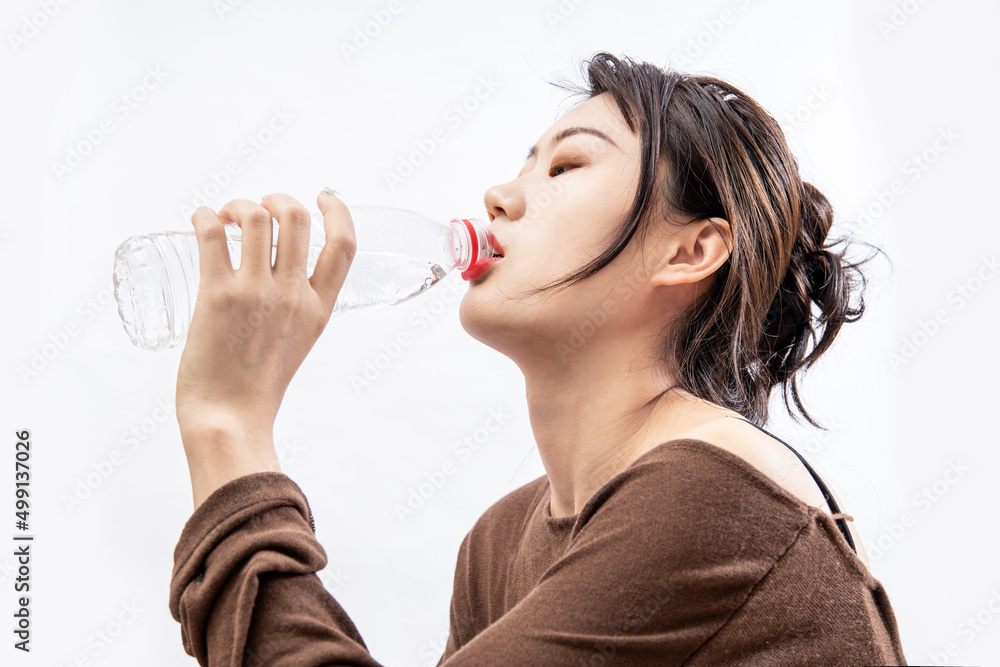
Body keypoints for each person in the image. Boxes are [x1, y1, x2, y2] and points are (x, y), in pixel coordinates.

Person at [168, 52, 907, 665]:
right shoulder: (499, 544)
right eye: (525, 163)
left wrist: (227, 425)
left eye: (566, 167)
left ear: (689, 250)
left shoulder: (714, 496)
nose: (498, 196)